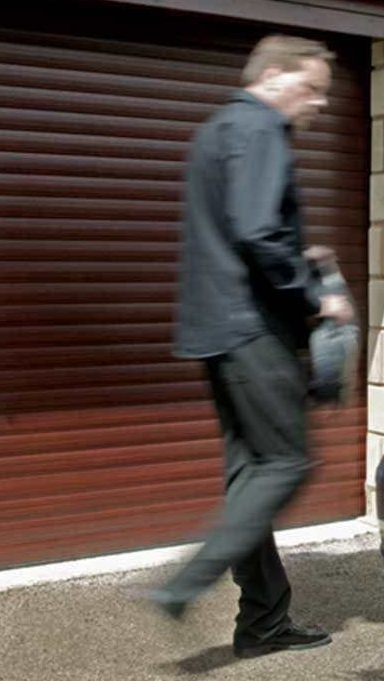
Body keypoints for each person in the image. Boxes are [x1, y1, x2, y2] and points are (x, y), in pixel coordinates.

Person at [149, 35, 354, 659]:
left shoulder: (217, 130)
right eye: (313, 87)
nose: (320, 103)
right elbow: (258, 228)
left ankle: (263, 623)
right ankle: (186, 582)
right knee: (288, 464)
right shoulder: (263, 129)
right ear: (275, 77)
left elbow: (239, 230)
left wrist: (303, 257)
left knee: (251, 478)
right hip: (255, 331)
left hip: (217, 331)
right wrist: (316, 297)